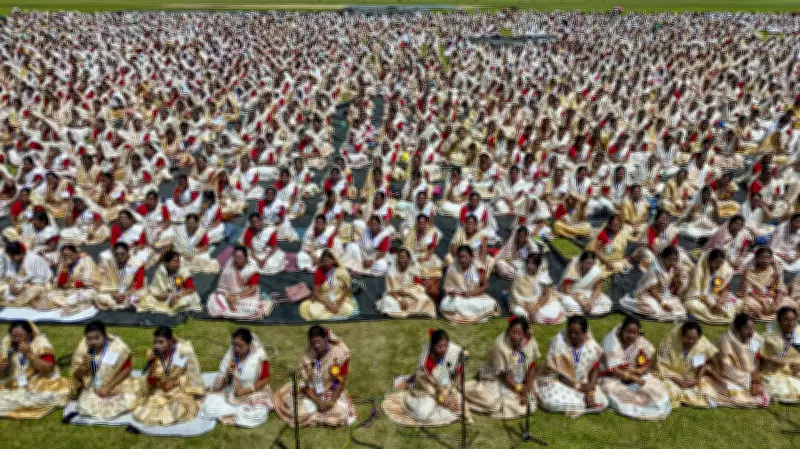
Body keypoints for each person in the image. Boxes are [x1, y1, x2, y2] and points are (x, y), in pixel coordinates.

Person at [273, 326, 357, 427]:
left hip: (332, 391)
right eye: (313, 343)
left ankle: (313, 417)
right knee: (297, 413)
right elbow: (305, 383)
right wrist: (317, 400)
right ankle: (318, 417)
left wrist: (331, 401)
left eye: (319, 342)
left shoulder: (340, 353)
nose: (316, 346)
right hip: (311, 392)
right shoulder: (308, 353)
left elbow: (340, 381)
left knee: (341, 414)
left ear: (326, 339)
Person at [383, 329, 464, 427]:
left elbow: (457, 368)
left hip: (446, 385)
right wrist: (443, 399)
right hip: (428, 390)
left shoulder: (452, 350)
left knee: (462, 402)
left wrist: (458, 387)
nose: (443, 349)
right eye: (439, 347)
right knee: (423, 415)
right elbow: (431, 389)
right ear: (432, 347)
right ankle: (406, 399)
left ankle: (445, 408)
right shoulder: (426, 363)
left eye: (445, 346)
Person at [465, 317, 540, 419]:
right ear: (509, 330)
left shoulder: (531, 342)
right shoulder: (500, 345)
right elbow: (504, 375)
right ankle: (466, 391)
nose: (515, 336)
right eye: (513, 332)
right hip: (497, 378)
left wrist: (529, 387)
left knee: (530, 403)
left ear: (525, 334)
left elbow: (532, 366)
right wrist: (518, 389)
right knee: (494, 404)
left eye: (519, 334)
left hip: (519, 379)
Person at [598, 317, 671, 420]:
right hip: (613, 377)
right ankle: (637, 405)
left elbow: (648, 362)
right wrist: (635, 378)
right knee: (611, 389)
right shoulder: (611, 342)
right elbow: (614, 370)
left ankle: (649, 403)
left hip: (637, 375)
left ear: (638, 333)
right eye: (628, 332)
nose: (631, 336)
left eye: (634, 333)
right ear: (621, 330)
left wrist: (639, 371)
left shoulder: (641, 342)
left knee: (657, 390)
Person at [534, 316, 608, 417]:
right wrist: (580, 387)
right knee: (550, 401)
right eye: (570, 332)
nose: (573, 336)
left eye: (577, 333)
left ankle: (581, 402)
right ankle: (582, 403)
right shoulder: (559, 342)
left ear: (585, 333)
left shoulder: (592, 346)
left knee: (603, 401)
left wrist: (589, 390)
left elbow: (594, 369)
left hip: (582, 382)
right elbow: (560, 375)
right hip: (556, 381)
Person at [131, 327, 204, 426]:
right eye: (155, 342)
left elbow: (190, 375)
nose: (157, 346)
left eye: (161, 342)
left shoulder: (183, 351)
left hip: (178, 389)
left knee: (178, 409)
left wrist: (174, 383)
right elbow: (151, 381)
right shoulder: (153, 354)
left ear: (170, 341)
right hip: (159, 390)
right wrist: (152, 366)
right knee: (142, 412)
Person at [201, 328, 273, 428]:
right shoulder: (232, 354)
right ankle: (237, 412)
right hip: (232, 392)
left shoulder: (260, 357)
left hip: (253, 393)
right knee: (208, 407)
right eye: (234, 345)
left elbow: (265, 379)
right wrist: (227, 375)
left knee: (260, 414)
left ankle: (234, 414)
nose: (236, 348)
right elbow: (223, 377)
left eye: (240, 346)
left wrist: (245, 391)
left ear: (249, 345)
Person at [0, 321, 71, 419]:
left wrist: (29, 354)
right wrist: (5, 364)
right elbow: (4, 372)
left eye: (20, 336)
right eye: (14, 336)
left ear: (30, 334)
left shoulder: (40, 344)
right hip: (13, 383)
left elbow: (48, 369)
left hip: (39, 380)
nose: (17, 339)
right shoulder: (8, 344)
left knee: (46, 396)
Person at [68, 321, 138, 419]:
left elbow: (127, 369)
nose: (93, 342)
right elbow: (77, 377)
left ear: (105, 336)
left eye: (97, 338)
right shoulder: (83, 350)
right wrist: (83, 366)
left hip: (115, 383)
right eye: (89, 339)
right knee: (84, 405)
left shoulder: (117, 347)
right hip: (93, 386)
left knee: (133, 397)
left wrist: (108, 388)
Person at [708, 314, 770, 408]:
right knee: (734, 391)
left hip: (746, 375)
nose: (751, 332)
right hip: (722, 373)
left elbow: (756, 358)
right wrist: (749, 380)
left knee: (764, 389)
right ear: (738, 328)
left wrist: (755, 377)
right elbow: (726, 368)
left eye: (753, 328)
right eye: (747, 329)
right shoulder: (726, 340)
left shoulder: (754, 338)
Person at [654, 322, 718, 408]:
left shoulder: (699, 347)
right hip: (669, 376)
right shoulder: (669, 345)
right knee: (671, 389)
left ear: (699, 338)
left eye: (694, 339)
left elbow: (701, 365)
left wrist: (695, 380)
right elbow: (661, 366)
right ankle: (682, 396)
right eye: (687, 338)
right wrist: (677, 379)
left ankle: (692, 397)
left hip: (689, 378)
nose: (690, 341)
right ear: (682, 336)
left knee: (705, 384)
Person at [619, 246, 688, 321]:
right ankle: (634, 303)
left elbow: (668, 285)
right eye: (671, 260)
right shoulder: (655, 269)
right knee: (652, 309)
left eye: (675, 260)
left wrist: (677, 277)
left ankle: (663, 310)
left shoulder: (671, 268)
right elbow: (651, 288)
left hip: (662, 295)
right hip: (647, 294)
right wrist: (662, 304)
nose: (673, 262)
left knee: (680, 307)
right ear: (664, 258)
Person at [208, 246, 273, 320]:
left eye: (240, 257)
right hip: (228, 295)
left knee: (252, 308)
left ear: (246, 258)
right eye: (235, 257)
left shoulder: (251, 270)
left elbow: (253, 289)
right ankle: (228, 309)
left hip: (245, 296)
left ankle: (225, 311)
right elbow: (222, 287)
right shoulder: (229, 265)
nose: (236, 260)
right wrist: (228, 297)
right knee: (213, 299)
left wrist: (236, 297)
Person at [440, 245, 500, 324]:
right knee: (444, 304)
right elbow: (448, 287)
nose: (462, 260)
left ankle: (461, 315)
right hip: (457, 298)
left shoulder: (478, 267)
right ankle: (472, 316)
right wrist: (451, 292)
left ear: (471, 256)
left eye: (465, 257)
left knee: (491, 302)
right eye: (460, 257)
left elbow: (485, 285)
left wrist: (471, 293)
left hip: (473, 297)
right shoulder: (452, 267)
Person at [376, 247, 436, 319]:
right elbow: (389, 290)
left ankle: (411, 311)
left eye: (404, 258)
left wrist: (407, 291)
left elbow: (418, 286)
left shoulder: (413, 271)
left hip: (410, 295)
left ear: (409, 259)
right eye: (400, 257)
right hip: (395, 297)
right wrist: (400, 300)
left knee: (425, 299)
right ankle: (405, 311)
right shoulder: (391, 271)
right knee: (387, 301)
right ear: (397, 258)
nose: (402, 260)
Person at [299, 250, 358, 321]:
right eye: (323, 260)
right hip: (323, 301)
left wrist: (337, 304)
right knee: (314, 313)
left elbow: (346, 289)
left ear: (334, 261)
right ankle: (333, 314)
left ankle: (330, 314)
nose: (325, 261)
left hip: (338, 299)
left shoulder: (342, 272)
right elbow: (316, 293)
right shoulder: (319, 272)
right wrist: (328, 305)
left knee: (349, 310)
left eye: (328, 259)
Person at [684, 249, 740, 324]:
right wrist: (711, 305)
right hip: (699, 299)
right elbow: (697, 293)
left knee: (739, 302)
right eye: (716, 263)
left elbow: (725, 289)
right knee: (692, 305)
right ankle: (721, 315)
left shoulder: (722, 271)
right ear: (709, 261)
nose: (719, 265)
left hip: (715, 297)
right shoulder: (699, 272)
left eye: (721, 263)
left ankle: (717, 314)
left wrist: (720, 301)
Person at [137, 251, 202, 315]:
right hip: (164, 296)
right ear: (167, 263)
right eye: (174, 261)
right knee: (147, 298)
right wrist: (169, 297)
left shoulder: (183, 271)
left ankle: (169, 307)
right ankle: (167, 307)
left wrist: (177, 295)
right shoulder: (161, 271)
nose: (178, 264)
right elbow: (156, 290)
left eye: (178, 261)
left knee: (188, 299)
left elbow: (191, 289)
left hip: (180, 295)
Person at [509, 253, 565, 325]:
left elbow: (545, 295)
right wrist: (527, 307)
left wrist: (536, 308)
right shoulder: (520, 273)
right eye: (528, 263)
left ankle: (532, 317)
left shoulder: (542, 276)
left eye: (533, 264)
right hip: (521, 303)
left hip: (538, 302)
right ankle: (529, 317)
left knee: (553, 311)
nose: (529, 266)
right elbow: (515, 293)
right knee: (519, 312)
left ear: (538, 265)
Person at [738, 247, 789, 321]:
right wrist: (762, 301)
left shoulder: (775, 270)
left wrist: (776, 303)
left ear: (771, 258)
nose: (765, 260)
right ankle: (762, 316)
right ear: (757, 258)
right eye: (762, 257)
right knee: (747, 304)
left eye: (768, 257)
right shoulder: (749, 272)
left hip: (773, 298)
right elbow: (748, 291)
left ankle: (773, 315)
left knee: (788, 303)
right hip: (756, 299)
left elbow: (781, 287)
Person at [760, 307, 800, 403]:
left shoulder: (799, 334)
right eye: (786, 320)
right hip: (776, 372)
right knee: (782, 388)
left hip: (796, 370)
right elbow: (761, 357)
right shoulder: (769, 337)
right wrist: (774, 361)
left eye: (793, 320)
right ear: (779, 321)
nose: (790, 323)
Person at [47, 245, 101, 314]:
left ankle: (71, 305)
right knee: (49, 295)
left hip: (82, 289)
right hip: (66, 291)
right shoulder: (63, 262)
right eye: (64, 255)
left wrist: (72, 284)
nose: (67, 257)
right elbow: (61, 282)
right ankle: (70, 305)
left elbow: (88, 281)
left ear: (76, 253)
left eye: (70, 255)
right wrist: (65, 267)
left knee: (87, 295)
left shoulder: (86, 260)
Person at [558, 251, 613, 316]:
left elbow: (598, 288)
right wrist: (581, 302)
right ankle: (588, 309)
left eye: (591, 263)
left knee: (606, 303)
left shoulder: (595, 270)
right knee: (569, 304)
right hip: (571, 294)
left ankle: (588, 309)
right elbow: (567, 290)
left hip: (587, 292)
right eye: (587, 263)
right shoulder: (573, 269)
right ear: (581, 262)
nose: (589, 266)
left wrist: (591, 301)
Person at [95, 242, 147, 310]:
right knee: (99, 297)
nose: (119, 257)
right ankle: (120, 302)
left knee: (141, 295)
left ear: (127, 252)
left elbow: (139, 284)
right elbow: (103, 282)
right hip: (112, 291)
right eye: (117, 254)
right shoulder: (108, 262)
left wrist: (125, 294)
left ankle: (122, 302)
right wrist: (114, 295)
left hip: (130, 290)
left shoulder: (136, 262)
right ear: (113, 254)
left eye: (122, 254)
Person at [0, 241, 52, 307]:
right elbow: (9, 274)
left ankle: (19, 300)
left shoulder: (35, 259)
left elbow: (42, 278)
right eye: (10, 256)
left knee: (34, 290)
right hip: (19, 285)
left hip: (36, 285)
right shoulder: (12, 259)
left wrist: (27, 285)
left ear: (21, 253)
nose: (11, 258)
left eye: (13, 256)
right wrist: (12, 284)